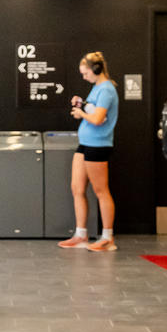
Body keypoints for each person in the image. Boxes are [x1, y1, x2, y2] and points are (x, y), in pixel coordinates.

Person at [58, 51, 118, 252]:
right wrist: (83, 104)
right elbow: (94, 111)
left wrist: (81, 112)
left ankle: (108, 237)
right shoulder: (97, 89)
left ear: (96, 70)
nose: (84, 77)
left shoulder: (107, 90)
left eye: (85, 74)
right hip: (85, 143)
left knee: (101, 190)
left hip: (98, 145)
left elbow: (98, 118)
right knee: (77, 187)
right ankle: (80, 234)